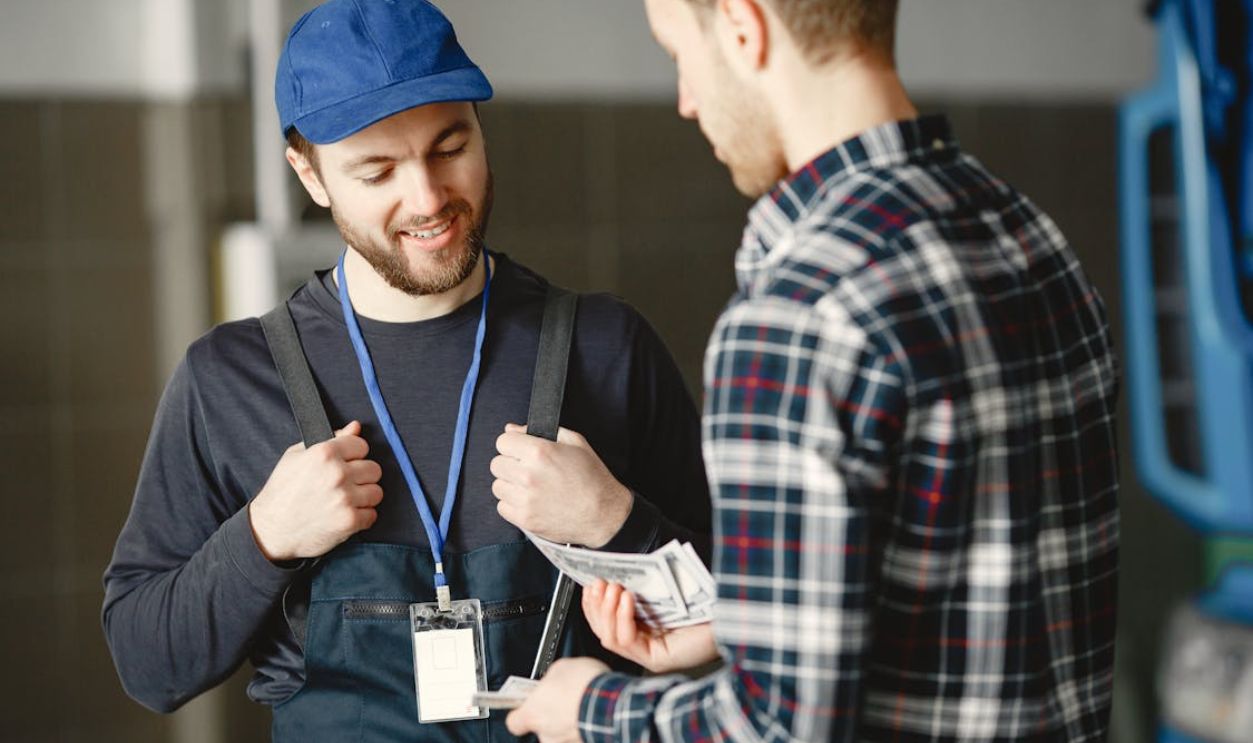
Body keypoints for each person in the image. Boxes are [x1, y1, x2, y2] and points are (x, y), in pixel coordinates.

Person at [502, 0, 1121, 741]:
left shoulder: (799, 311)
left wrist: (593, 707)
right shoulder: (1026, 234)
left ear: (741, 26)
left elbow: (779, 728)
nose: (686, 101)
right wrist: (735, 624)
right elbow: (961, 582)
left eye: (678, 55)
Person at [101, 1, 710, 740]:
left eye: (450, 146)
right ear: (310, 174)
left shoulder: (607, 347)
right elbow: (148, 664)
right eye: (377, 170)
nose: (426, 199)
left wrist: (618, 522)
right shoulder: (228, 377)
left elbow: (748, 617)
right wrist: (262, 536)